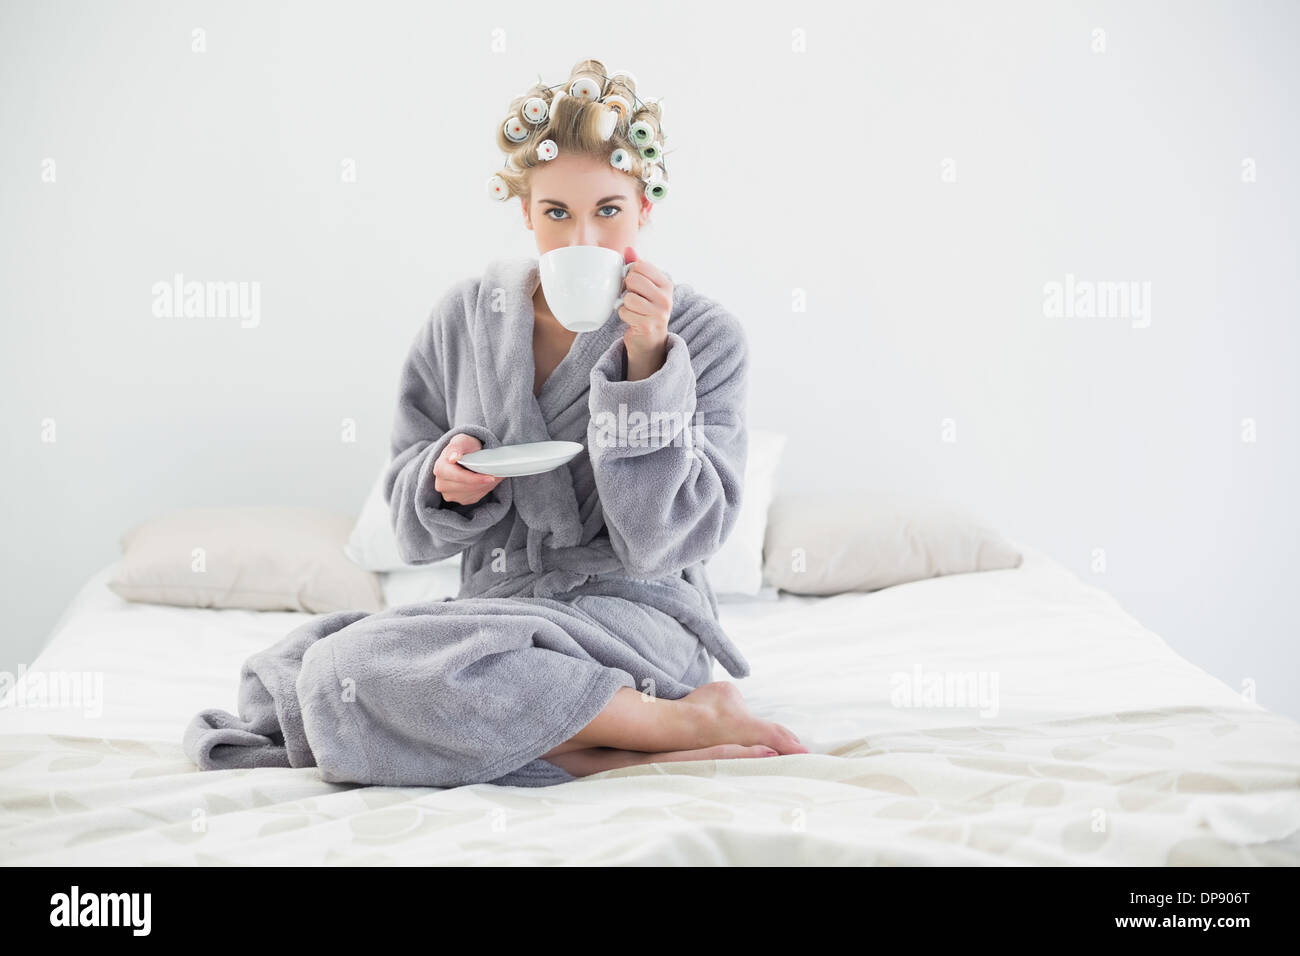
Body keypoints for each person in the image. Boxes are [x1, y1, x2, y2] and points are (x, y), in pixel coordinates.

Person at [184, 58, 807, 789]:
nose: (583, 239)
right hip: (498, 613)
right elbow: (410, 490)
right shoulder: (465, 318)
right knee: (298, 672)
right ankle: (627, 745)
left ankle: (671, 717)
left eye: (608, 210)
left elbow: (664, 541)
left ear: (645, 209)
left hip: (635, 619)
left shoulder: (703, 337)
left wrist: (647, 364)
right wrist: (446, 481)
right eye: (556, 213)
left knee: (354, 674)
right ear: (525, 213)